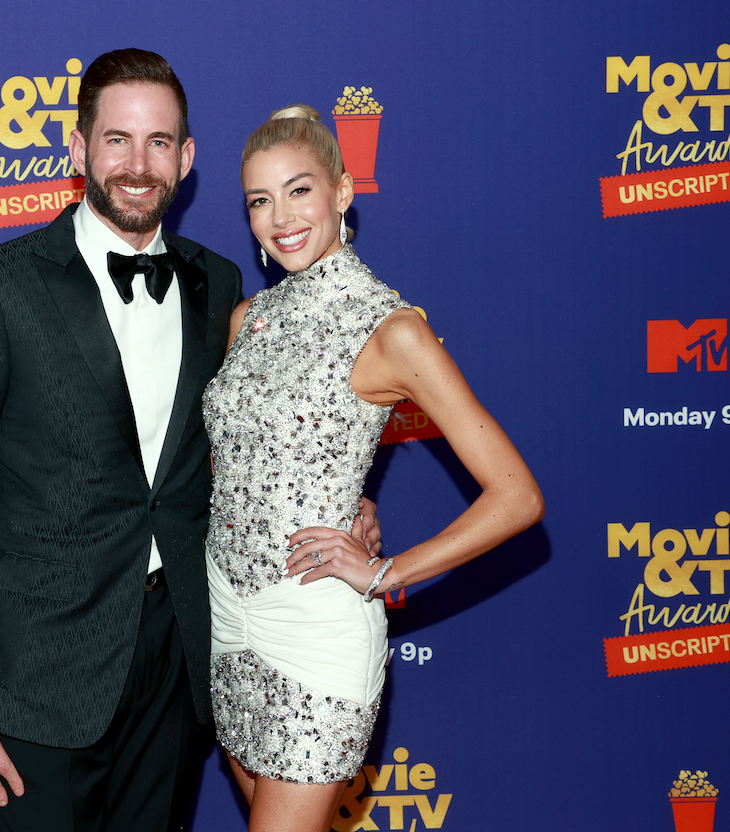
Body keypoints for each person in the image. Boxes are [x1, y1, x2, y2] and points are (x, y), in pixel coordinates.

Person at [0, 53, 381, 832]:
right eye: (116, 139)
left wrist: (340, 503)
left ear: (185, 160)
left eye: (158, 142)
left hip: (178, 659)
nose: (136, 164)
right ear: (78, 148)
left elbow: (253, 443)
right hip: (36, 671)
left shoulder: (220, 287)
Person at [202, 105, 544, 832]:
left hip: (313, 630)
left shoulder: (392, 331)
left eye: (299, 190)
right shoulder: (247, 319)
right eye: (260, 200)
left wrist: (388, 573)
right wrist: (348, 498)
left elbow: (516, 496)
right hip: (226, 616)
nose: (280, 217)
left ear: (344, 191)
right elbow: (236, 462)